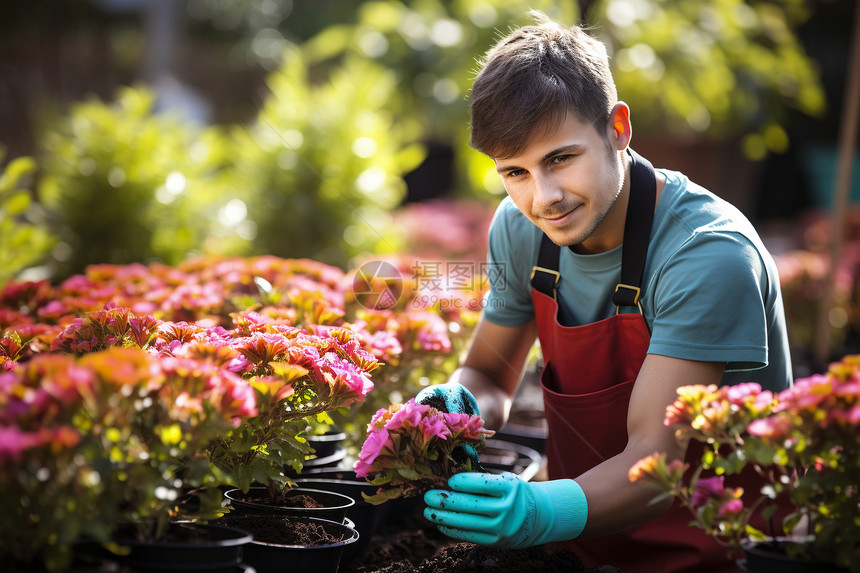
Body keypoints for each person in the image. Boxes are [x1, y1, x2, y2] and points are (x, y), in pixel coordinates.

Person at [416, 11, 792, 573]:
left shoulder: (707, 253)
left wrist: (537, 511)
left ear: (618, 128)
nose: (543, 198)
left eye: (560, 159)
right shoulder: (522, 230)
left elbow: (654, 462)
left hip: (716, 549)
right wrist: (451, 407)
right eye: (514, 172)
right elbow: (491, 375)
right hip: (587, 545)